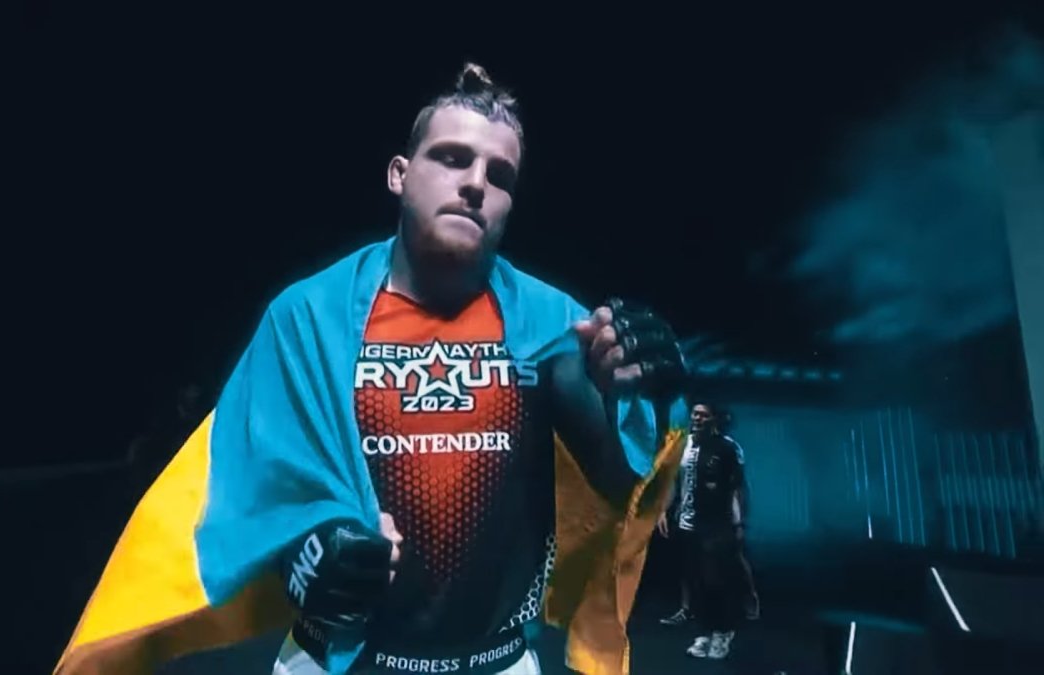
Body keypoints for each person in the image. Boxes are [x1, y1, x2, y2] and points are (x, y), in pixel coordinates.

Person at [54, 63, 688, 675]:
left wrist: (643, 394)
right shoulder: (307, 316)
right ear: (399, 175)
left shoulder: (554, 324)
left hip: (497, 663)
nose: (475, 184)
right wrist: (311, 556)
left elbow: (615, 483)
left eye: (499, 176)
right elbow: (250, 491)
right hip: (335, 661)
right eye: (452, 158)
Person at [655, 401, 749, 659]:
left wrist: (738, 523)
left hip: (716, 525)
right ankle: (704, 633)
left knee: (715, 580)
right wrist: (663, 510)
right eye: (695, 414)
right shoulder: (683, 445)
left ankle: (723, 632)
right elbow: (674, 481)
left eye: (703, 415)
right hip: (687, 524)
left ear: (714, 419)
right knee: (695, 581)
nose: (697, 418)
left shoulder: (728, 448)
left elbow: (736, 489)